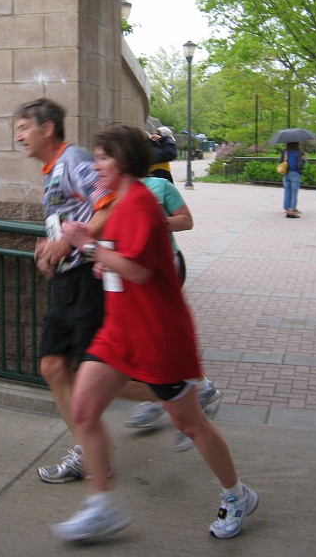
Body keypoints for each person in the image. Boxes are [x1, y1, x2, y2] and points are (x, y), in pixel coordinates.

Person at [55, 124, 257, 541]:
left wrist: (88, 247)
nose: (96, 165)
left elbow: (141, 271)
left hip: (158, 335)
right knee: (84, 409)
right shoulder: (121, 201)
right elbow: (123, 260)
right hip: (119, 330)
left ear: (125, 159)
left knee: (190, 424)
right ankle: (103, 505)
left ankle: (237, 494)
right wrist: (104, 260)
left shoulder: (142, 203)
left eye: (103, 157)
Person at [14, 98, 106, 484]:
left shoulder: (76, 160)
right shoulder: (53, 170)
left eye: (23, 128)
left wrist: (67, 247)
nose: (18, 137)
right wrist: (47, 249)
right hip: (66, 281)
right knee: (53, 367)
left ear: (47, 128)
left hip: (88, 279)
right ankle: (87, 450)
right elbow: (69, 221)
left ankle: (185, 390)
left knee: (95, 374)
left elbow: (110, 208)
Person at [124, 172, 222, 452]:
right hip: (133, 271)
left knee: (161, 336)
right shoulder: (112, 188)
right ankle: (187, 392)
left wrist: (159, 221)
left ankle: (172, 397)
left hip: (165, 267)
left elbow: (186, 220)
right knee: (149, 337)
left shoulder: (159, 186)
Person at [281, 141, 307, 217]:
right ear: (297, 144)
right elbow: (299, 166)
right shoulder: (299, 152)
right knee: (294, 193)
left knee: (287, 192)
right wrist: (304, 160)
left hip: (286, 174)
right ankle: (292, 210)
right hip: (295, 174)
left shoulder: (285, 152)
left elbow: (280, 162)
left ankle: (286, 209)